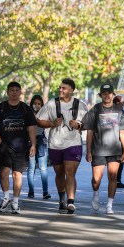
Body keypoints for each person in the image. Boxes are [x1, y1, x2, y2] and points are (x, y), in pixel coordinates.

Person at [36, 78, 88, 214]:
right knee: (59, 173)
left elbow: (87, 124)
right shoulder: (51, 104)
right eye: (60, 87)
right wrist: (52, 123)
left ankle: (71, 202)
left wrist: (79, 125)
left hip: (73, 143)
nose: (60, 90)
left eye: (63, 88)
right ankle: (62, 200)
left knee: (70, 172)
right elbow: (39, 121)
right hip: (55, 144)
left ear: (71, 90)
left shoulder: (80, 105)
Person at [0, 82, 37, 214]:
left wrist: (33, 145)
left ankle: (15, 202)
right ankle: (6, 198)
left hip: (21, 148)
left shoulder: (26, 109)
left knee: (17, 175)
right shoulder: (1, 108)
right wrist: (0, 143)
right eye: (11, 90)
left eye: (16, 90)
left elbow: (31, 128)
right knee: (3, 173)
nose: (14, 92)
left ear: (20, 92)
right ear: (7, 92)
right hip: (5, 147)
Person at [82, 83, 124, 214]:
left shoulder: (119, 111)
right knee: (96, 179)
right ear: (101, 95)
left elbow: (123, 133)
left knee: (113, 177)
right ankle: (96, 195)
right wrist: (88, 150)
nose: (107, 95)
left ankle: (109, 205)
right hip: (98, 150)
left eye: (109, 93)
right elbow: (89, 132)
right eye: (104, 93)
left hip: (115, 150)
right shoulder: (95, 110)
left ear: (113, 95)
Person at [27, 95, 51, 200]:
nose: (37, 105)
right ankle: (31, 191)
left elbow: (49, 124)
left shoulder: (45, 114)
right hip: (30, 142)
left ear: (42, 105)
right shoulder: (28, 114)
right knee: (31, 168)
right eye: (35, 103)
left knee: (43, 168)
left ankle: (45, 192)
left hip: (42, 141)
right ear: (31, 104)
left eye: (39, 103)